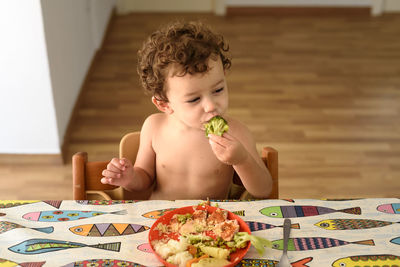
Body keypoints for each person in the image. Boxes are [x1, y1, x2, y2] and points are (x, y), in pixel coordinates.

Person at [101, 20, 272, 199]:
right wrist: (131, 178)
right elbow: (145, 179)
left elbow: (263, 190)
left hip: (212, 220)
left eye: (218, 90)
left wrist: (242, 160)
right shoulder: (154, 127)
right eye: (194, 99)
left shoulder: (236, 132)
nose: (211, 105)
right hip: (162, 218)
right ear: (164, 104)